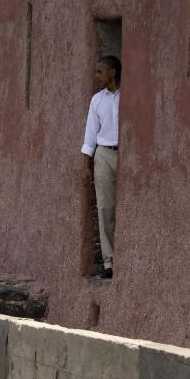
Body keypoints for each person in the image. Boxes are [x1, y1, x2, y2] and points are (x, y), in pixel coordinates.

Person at [81, 55, 121, 278]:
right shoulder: (97, 100)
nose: (96, 77)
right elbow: (90, 136)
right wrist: (86, 165)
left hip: (126, 155)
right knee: (105, 207)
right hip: (104, 155)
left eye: (100, 72)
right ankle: (109, 262)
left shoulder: (128, 96)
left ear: (112, 73)